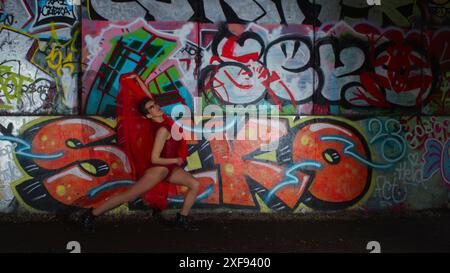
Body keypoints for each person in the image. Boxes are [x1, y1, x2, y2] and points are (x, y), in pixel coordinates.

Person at [80, 74, 200, 231]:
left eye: (155, 105)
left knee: (194, 184)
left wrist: (138, 80)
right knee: (129, 195)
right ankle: (90, 215)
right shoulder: (162, 130)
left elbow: (147, 97)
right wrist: (175, 160)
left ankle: (181, 219)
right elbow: (155, 158)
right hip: (159, 170)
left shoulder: (162, 118)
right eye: (151, 108)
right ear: (148, 115)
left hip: (168, 169)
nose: (156, 107)